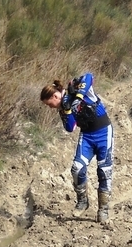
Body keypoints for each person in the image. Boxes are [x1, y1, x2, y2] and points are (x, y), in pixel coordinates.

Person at [40, 73, 114, 224]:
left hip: (103, 132)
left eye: (49, 104)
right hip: (86, 135)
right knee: (77, 168)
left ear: (55, 96)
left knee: (104, 171)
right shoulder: (62, 108)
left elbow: (89, 77)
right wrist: (67, 110)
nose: (50, 107)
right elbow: (70, 127)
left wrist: (79, 96)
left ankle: (103, 210)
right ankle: (82, 201)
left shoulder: (73, 88)